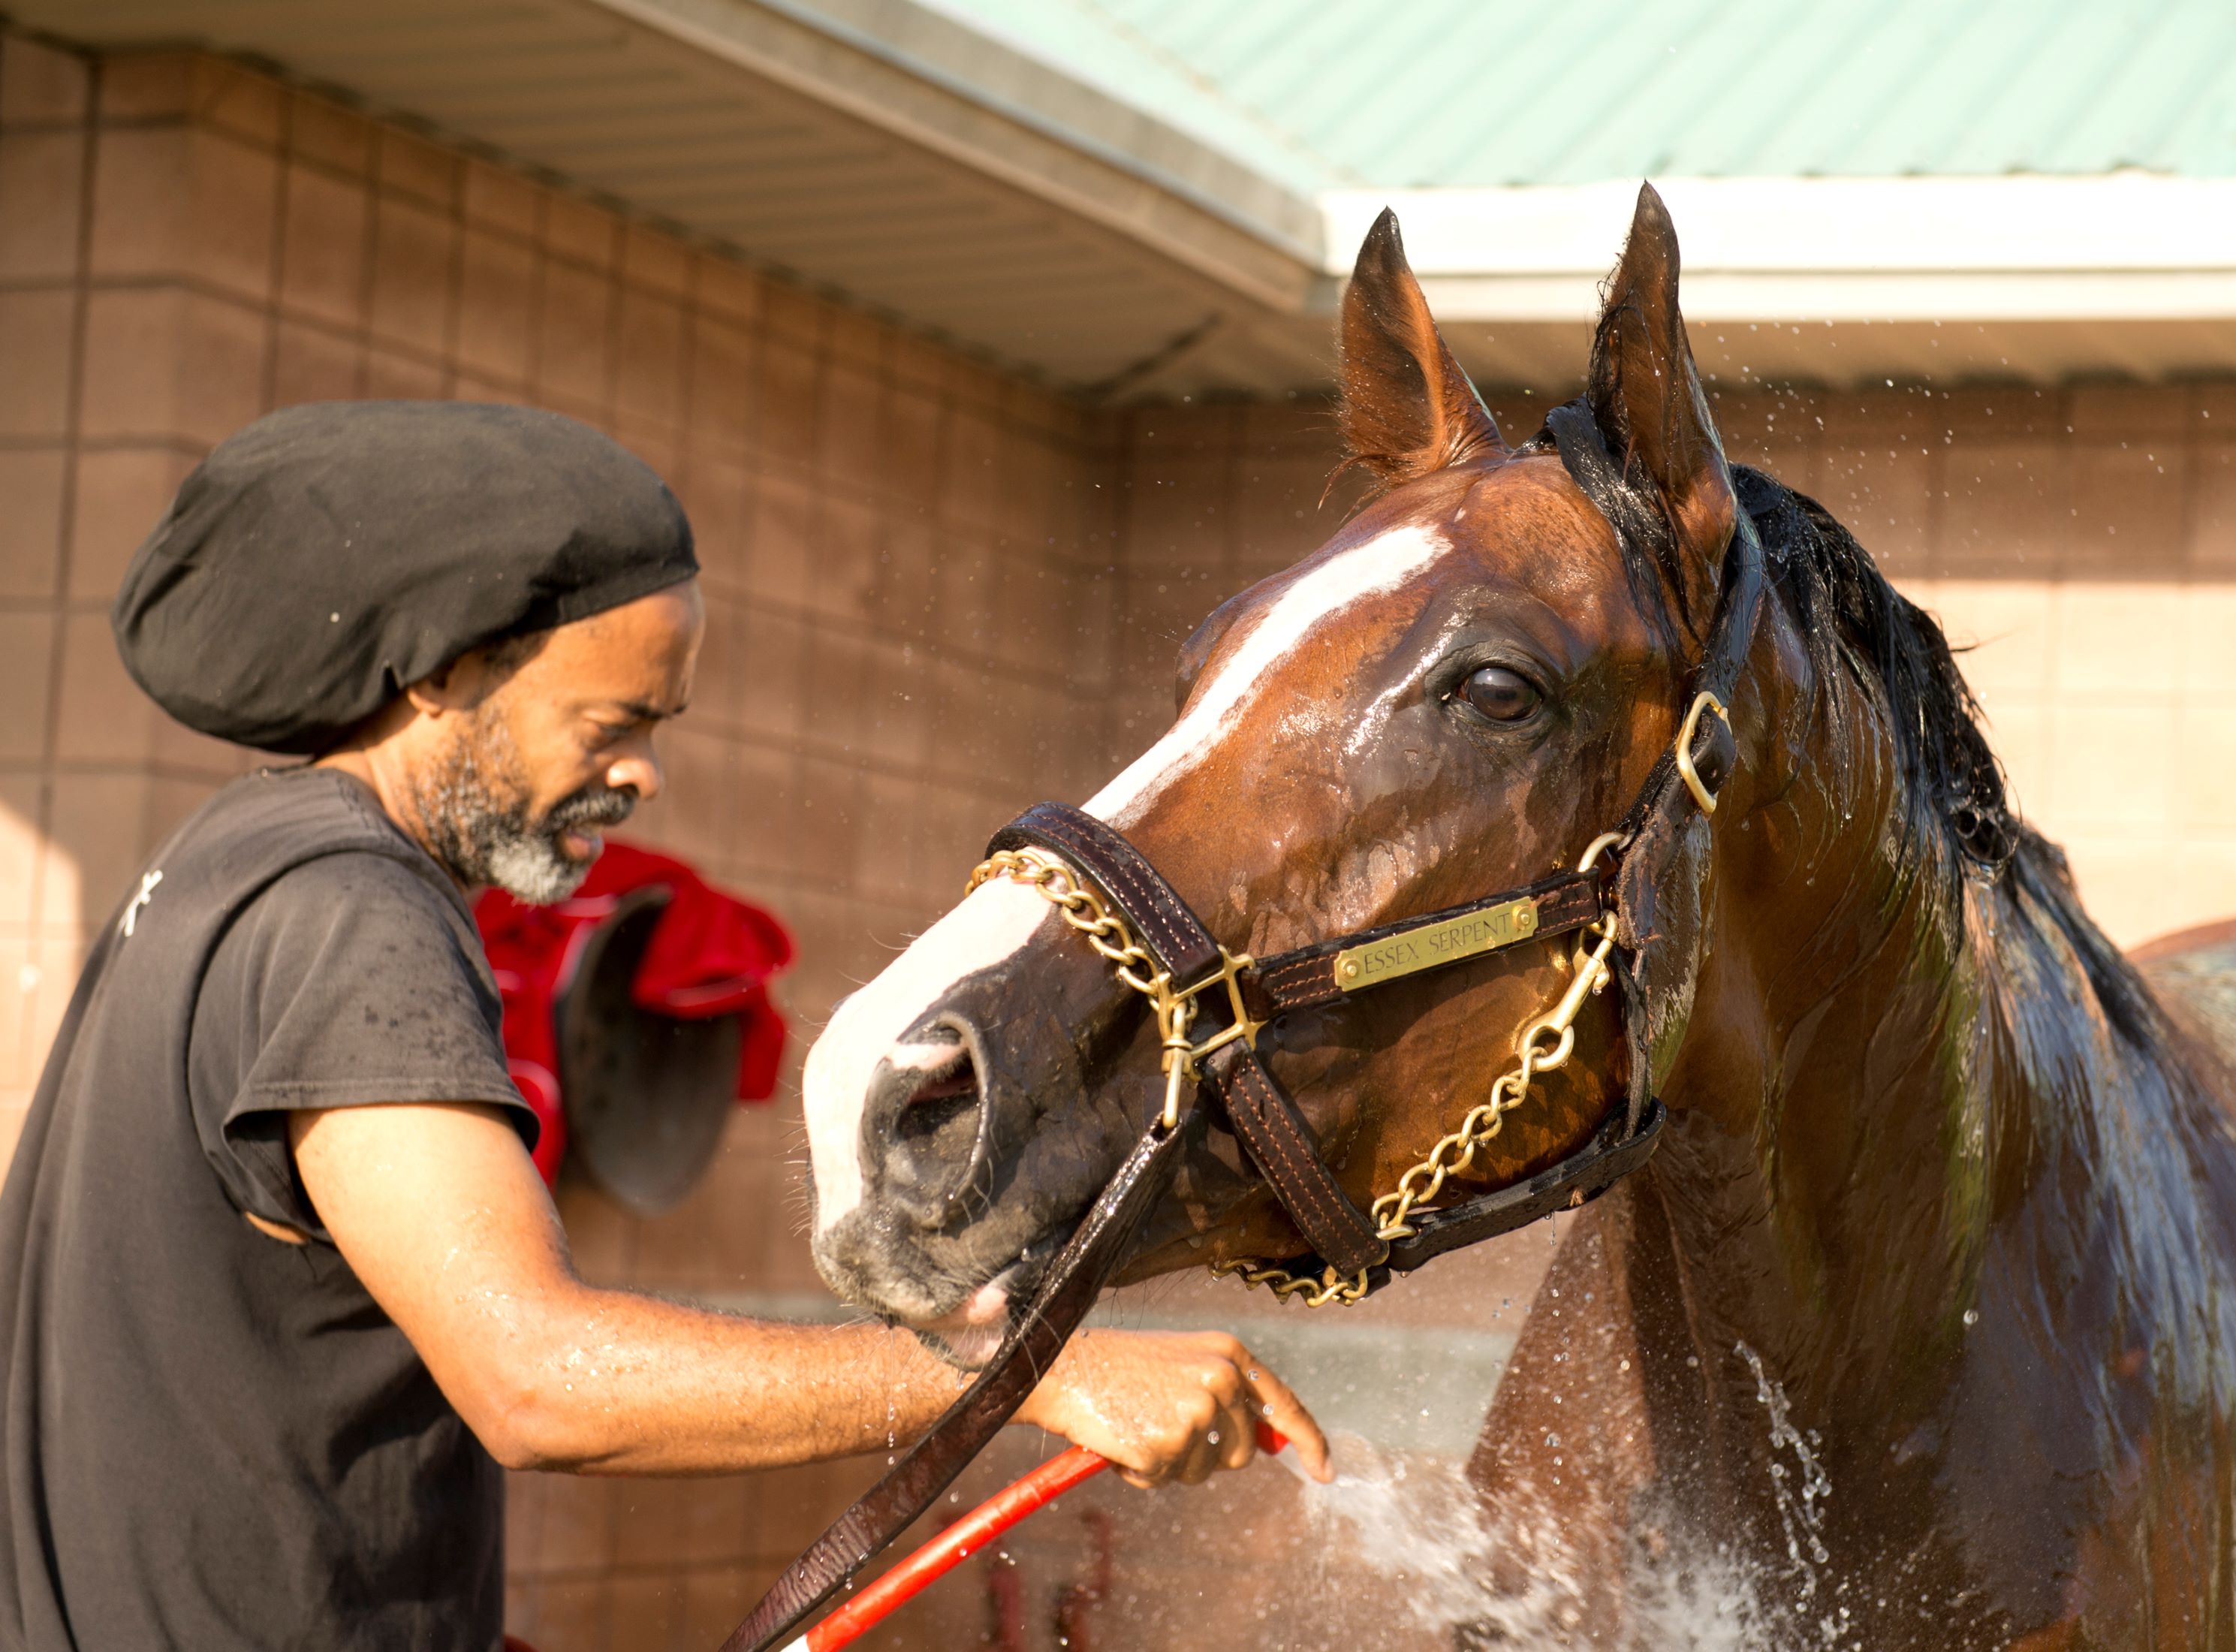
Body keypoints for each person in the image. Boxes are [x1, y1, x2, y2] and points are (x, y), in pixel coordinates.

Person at [0, 402, 1328, 1650]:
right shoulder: (355, 916)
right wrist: (1028, 1375)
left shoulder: (221, 863)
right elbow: (533, 1377)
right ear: (446, 674)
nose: (644, 771)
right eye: (612, 723)